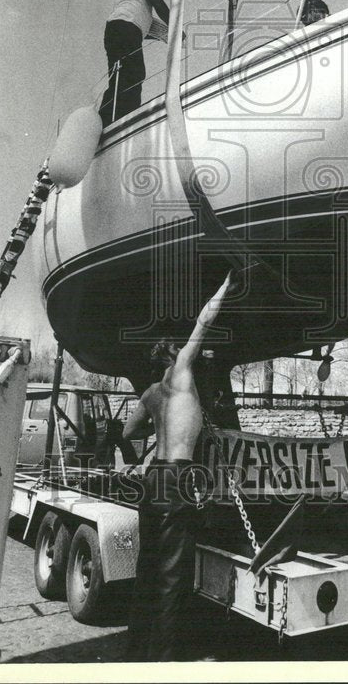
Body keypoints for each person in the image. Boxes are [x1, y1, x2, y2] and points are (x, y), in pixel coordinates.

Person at [124, 271, 235, 662]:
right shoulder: (182, 375)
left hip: (153, 477)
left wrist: (142, 450)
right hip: (179, 479)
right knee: (173, 576)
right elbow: (204, 322)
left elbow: (128, 431)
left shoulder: (152, 393)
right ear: (175, 354)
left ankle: (136, 651)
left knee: (148, 567)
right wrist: (224, 287)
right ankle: (164, 660)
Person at [99, 0, 172, 127]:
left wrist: (167, 35)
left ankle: (107, 122)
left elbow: (141, 26)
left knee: (123, 77)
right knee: (133, 75)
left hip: (119, 29)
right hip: (125, 28)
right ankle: (122, 122)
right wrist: (174, 23)